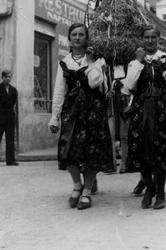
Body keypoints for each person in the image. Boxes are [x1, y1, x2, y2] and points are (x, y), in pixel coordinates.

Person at [49, 23, 114, 210]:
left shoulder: (97, 60)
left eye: (81, 35)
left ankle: (87, 190)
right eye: (74, 35)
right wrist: (55, 117)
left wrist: (92, 63)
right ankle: (77, 185)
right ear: (69, 38)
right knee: (67, 150)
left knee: (91, 151)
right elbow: (59, 91)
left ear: (87, 38)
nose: (77, 38)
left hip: (93, 110)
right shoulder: (64, 62)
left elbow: (95, 83)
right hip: (72, 111)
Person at [125, 25, 166, 209]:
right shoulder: (135, 62)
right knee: (143, 149)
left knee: (161, 150)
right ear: (142, 40)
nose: (150, 41)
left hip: (162, 108)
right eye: (146, 38)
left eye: (153, 37)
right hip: (141, 110)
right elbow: (128, 86)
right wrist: (139, 62)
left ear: (158, 39)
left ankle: (160, 192)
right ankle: (149, 187)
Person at [0, 70, 18, 166]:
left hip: (10, 118)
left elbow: (13, 103)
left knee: (10, 139)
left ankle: (10, 160)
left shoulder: (14, 90)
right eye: (6, 76)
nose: (8, 78)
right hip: (0, 118)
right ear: (2, 77)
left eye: (10, 77)